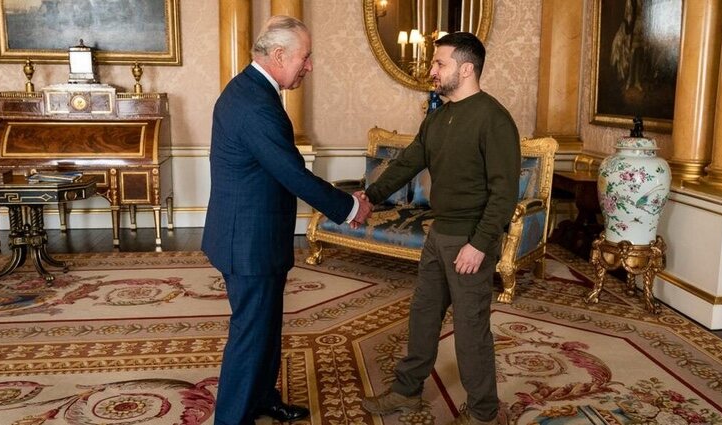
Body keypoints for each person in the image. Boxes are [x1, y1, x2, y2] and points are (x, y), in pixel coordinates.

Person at [202, 15, 372, 425]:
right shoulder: (255, 104)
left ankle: (262, 398)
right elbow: (293, 173)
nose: (309, 66)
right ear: (279, 55)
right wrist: (350, 207)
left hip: (256, 235)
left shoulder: (252, 88)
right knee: (250, 335)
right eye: (306, 57)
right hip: (249, 243)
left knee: (266, 329)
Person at [360, 32, 520, 425]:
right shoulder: (438, 116)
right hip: (439, 235)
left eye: (439, 63)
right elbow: (406, 163)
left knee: (470, 330)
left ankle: (483, 414)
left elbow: (504, 192)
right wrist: (367, 198)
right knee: (423, 315)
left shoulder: (494, 118)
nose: (431, 70)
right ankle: (406, 393)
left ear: (466, 69)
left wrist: (481, 244)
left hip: (470, 240)